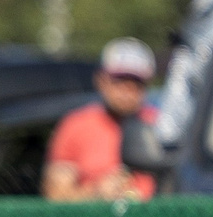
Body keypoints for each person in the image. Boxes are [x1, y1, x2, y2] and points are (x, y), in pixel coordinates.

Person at [44, 38, 162, 202]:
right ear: (101, 80)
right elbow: (55, 196)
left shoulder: (161, 126)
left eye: (136, 82)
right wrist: (96, 193)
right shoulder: (76, 126)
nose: (127, 90)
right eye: (119, 80)